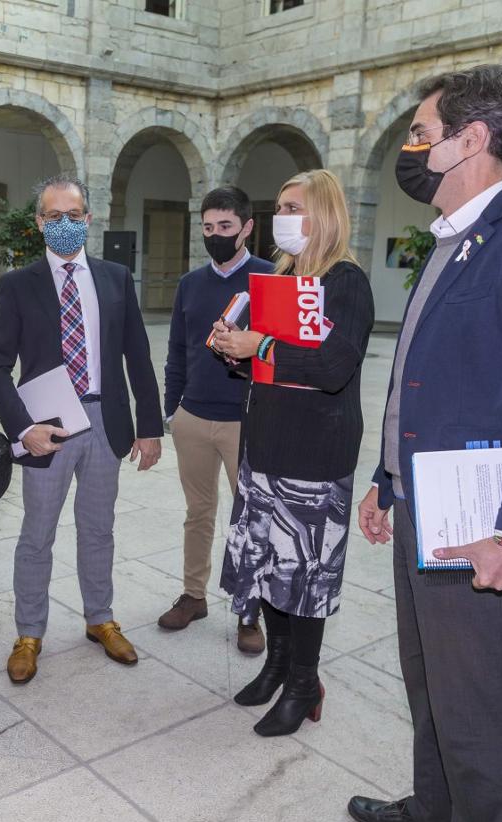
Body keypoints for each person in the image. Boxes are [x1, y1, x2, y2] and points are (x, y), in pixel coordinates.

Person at [348, 65, 502, 822]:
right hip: (423, 503)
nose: (412, 148)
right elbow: (422, 379)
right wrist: (388, 479)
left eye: (422, 134)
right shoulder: (450, 242)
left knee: (479, 703)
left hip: (484, 522)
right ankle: (432, 808)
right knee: (428, 681)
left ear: (472, 139)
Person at [211, 169, 374, 737]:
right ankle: (277, 666)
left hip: (315, 454)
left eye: (292, 206)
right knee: (270, 568)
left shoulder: (347, 283)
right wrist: (236, 350)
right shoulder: (276, 279)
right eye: (278, 204)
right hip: (267, 445)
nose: (281, 215)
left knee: (305, 573)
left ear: (323, 214)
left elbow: (333, 369)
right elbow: (267, 363)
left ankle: (304, 682)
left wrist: (265, 345)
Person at [0, 173, 164, 685]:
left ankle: (100, 619)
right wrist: (23, 430)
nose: (65, 224)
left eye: (74, 215)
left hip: (105, 423)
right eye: (54, 216)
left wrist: (148, 427)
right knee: (37, 535)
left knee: (98, 529)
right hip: (49, 428)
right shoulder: (18, 284)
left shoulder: (114, 277)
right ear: (41, 223)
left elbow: (138, 356)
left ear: (88, 219)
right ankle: (28, 633)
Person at [158, 185, 273, 655]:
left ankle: (249, 610)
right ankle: (193, 595)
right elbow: (176, 353)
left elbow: (282, 353)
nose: (215, 235)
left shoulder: (270, 278)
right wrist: (172, 410)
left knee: (250, 518)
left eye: (225, 227)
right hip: (193, 417)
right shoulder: (190, 284)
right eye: (207, 228)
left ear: (246, 228)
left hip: (246, 421)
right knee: (197, 513)